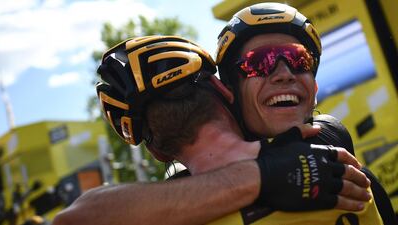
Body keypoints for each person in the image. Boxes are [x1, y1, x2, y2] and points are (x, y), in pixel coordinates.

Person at [53, 35, 373, 225]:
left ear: (156, 150)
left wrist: (262, 177)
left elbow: (72, 219)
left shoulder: (155, 214)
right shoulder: (333, 165)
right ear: (223, 91)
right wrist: (266, 173)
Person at [214, 2, 396, 224]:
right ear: (231, 92)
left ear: (314, 89)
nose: (284, 74)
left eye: (299, 60)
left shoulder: (357, 180)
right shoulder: (201, 202)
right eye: (260, 62)